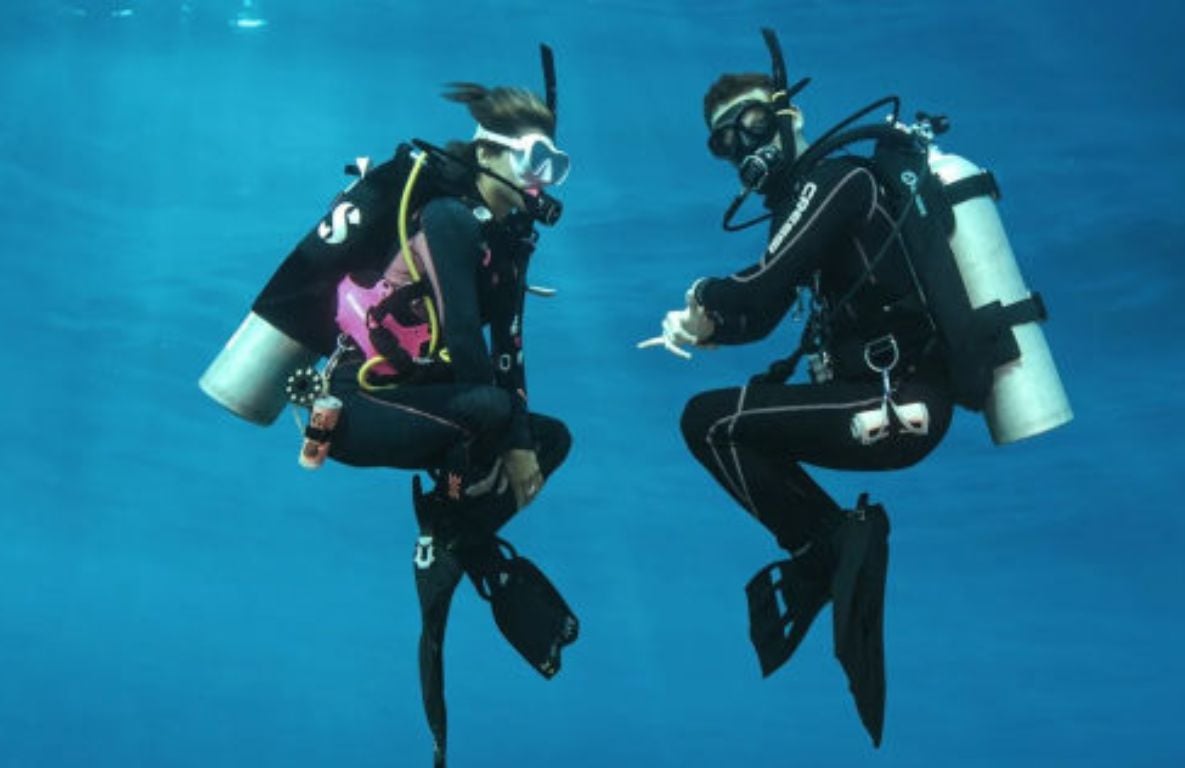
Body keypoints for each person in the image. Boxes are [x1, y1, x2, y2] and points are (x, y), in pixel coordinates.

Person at [641, 28, 1070, 746]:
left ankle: (830, 543)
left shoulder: (837, 180)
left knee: (708, 421)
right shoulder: (805, 203)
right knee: (714, 422)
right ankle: (829, 546)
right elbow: (763, 311)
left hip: (895, 402)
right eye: (723, 141)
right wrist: (707, 329)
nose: (743, 145)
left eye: (751, 121)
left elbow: (756, 287)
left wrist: (700, 298)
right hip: (887, 409)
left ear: (790, 115)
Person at [200, 47, 578, 768]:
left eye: (555, 166)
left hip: (427, 404)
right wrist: (501, 430)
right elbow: (469, 342)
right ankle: (448, 530)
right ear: (492, 155)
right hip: (355, 403)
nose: (542, 178)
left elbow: (510, 353)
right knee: (496, 414)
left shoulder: (508, 244)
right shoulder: (450, 219)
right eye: (535, 159)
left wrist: (522, 442)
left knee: (550, 439)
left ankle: (454, 535)